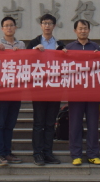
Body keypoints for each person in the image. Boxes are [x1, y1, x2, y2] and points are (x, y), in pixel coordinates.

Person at [26, 13, 65, 166]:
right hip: (39, 88)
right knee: (39, 123)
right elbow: (25, 61)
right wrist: (33, 51)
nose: (47, 26)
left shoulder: (60, 44)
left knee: (50, 123)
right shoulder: (34, 43)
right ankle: (37, 154)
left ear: (54, 26)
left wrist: (65, 54)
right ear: (41, 25)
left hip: (55, 89)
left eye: (50, 23)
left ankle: (48, 153)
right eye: (44, 23)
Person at [65, 19, 100, 166]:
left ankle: (93, 154)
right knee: (75, 124)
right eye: (80, 28)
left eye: (85, 28)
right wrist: (63, 55)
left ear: (89, 30)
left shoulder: (95, 47)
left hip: (93, 91)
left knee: (93, 124)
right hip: (75, 92)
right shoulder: (69, 48)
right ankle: (76, 154)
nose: (83, 31)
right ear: (75, 31)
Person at [0, 16, 26, 166]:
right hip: (2, 89)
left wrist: (20, 53)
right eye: (6, 25)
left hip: (16, 89)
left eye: (11, 25)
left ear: (15, 27)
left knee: (10, 124)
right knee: (0, 123)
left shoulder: (21, 45)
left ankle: (7, 152)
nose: (9, 28)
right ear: (2, 28)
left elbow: (26, 63)